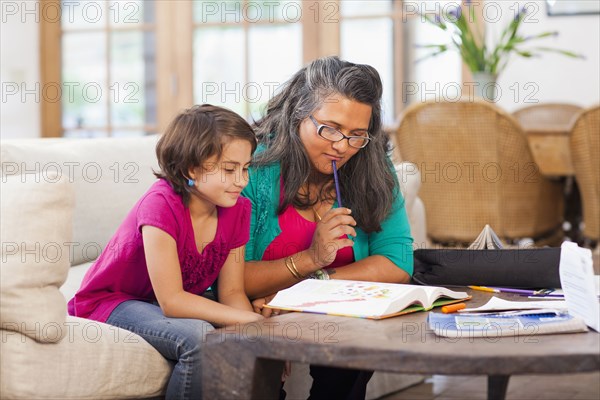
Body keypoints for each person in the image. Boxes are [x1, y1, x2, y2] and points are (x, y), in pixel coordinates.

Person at [242, 57, 414, 399]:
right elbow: (230, 276)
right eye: (330, 128)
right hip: (253, 306)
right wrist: (313, 257)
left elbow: (396, 262)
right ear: (297, 115)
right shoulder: (252, 169)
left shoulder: (372, 167)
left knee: (353, 338)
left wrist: (308, 293)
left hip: (323, 308)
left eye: (356, 135)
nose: (342, 146)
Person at [68, 104, 263, 400]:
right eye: (229, 169)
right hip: (114, 301)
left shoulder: (238, 209)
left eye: (246, 167)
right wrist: (248, 321)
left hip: (167, 305)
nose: (242, 180)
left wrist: (261, 336)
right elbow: (172, 302)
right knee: (201, 337)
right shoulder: (161, 205)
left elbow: (233, 291)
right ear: (190, 168)